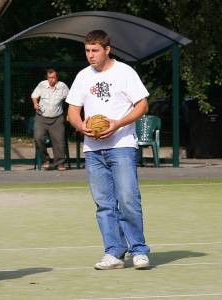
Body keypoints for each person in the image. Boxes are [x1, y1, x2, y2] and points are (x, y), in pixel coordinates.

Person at [66, 30, 150, 270]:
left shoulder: (124, 72)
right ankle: (113, 252)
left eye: (95, 51)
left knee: (128, 199)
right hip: (93, 150)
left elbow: (142, 105)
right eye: (87, 51)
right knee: (104, 204)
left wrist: (117, 124)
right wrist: (81, 126)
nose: (90, 55)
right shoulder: (83, 76)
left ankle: (139, 250)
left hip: (121, 146)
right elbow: (72, 110)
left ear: (107, 49)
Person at [31, 69, 69, 171]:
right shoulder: (42, 84)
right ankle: (45, 160)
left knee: (59, 141)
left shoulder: (62, 86)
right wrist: (35, 104)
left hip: (57, 118)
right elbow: (34, 95)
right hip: (41, 117)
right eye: (49, 78)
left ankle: (60, 163)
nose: (51, 80)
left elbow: (70, 100)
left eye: (53, 78)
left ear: (56, 78)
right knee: (38, 138)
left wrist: (70, 113)